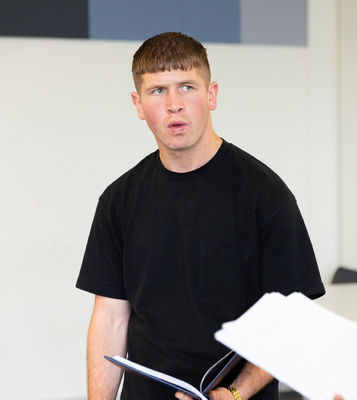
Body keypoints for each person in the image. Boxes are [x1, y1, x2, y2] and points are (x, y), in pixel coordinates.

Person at [76, 32, 325, 400]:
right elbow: (111, 319)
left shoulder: (265, 195)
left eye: (187, 87)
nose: (174, 104)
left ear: (212, 96)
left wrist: (235, 392)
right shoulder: (119, 200)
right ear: (138, 103)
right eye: (158, 91)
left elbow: (289, 321)